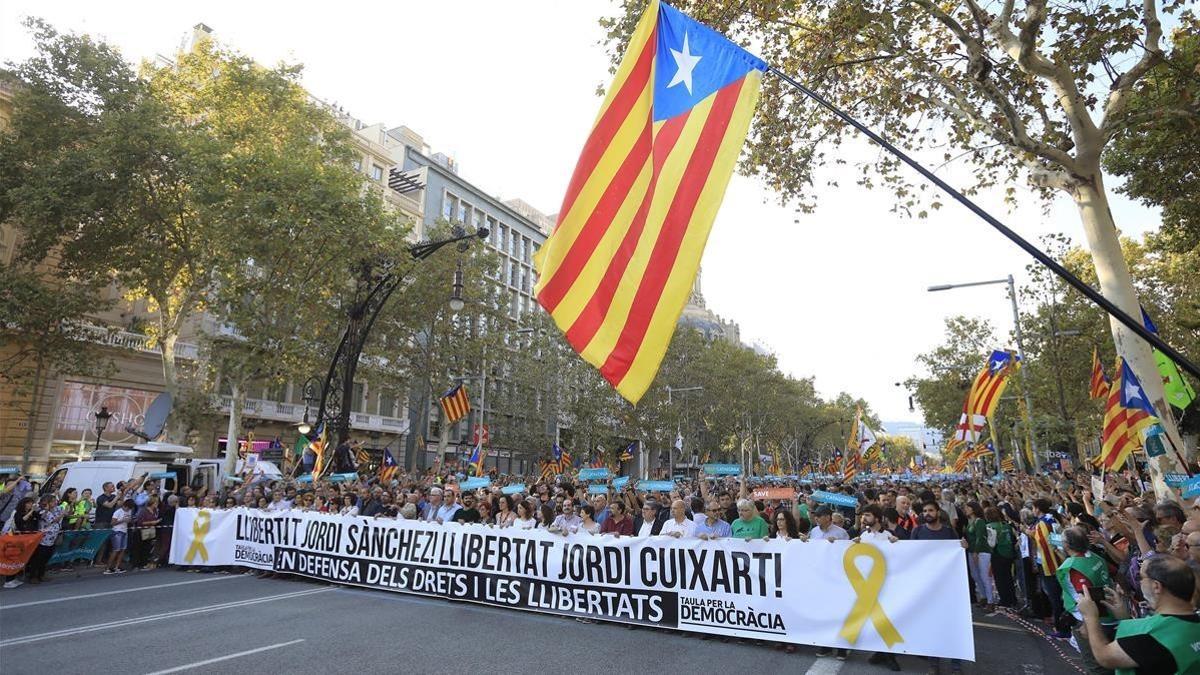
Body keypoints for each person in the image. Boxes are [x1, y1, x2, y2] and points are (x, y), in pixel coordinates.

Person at [1077, 555, 1200, 673]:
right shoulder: (1193, 622)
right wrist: (1124, 617)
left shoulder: (1151, 637)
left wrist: (1090, 617)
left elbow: (1105, 657)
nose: (1139, 583)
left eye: (1139, 577)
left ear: (1156, 586)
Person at [964, 501, 996, 610]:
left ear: (973, 509)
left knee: (984, 576)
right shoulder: (970, 522)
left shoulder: (979, 522)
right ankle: (984, 596)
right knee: (975, 575)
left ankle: (990, 601)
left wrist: (976, 552)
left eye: (968, 508)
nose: (966, 510)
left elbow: (979, 538)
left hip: (981, 552)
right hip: (972, 551)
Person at [985, 506, 1018, 609]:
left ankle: (1004, 600)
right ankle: (1013, 598)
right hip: (1009, 553)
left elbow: (991, 543)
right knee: (1008, 577)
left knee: (1000, 578)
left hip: (998, 554)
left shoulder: (990, 526)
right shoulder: (1006, 525)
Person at [26, 495, 63, 584]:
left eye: (55, 501)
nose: (55, 503)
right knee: (38, 558)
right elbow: (53, 520)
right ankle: (33, 575)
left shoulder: (56, 509)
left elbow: (64, 513)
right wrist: (62, 514)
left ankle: (41, 574)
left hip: (52, 538)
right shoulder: (42, 511)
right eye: (53, 501)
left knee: (46, 558)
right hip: (43, 539)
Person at [3, 497, 38, 588]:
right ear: (24, 504)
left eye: (32, 503)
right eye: (29, 503)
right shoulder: (17, 513)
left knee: (20, 559)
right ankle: (8, 580)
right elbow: (21, 521)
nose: (30, 505)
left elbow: (38, 519)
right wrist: (31, 512)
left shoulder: (32, 512)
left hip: (27, 539)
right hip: (16, 539)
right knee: (13, 558)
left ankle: (13, 578)